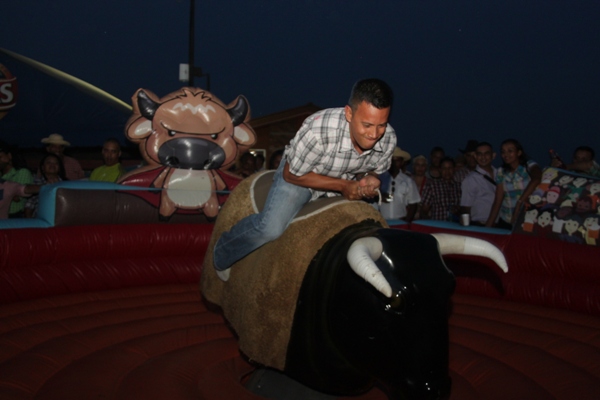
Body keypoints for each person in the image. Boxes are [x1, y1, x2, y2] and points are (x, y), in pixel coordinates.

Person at [213, 78, 396, 280]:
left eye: (381, 125)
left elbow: (372, 170)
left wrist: (370, 178)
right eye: (367, 125)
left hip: (345, 179)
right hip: (301, 174)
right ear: (349, 113)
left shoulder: (388, 138)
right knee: (271, 228)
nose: (374, 134)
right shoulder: (318, 130)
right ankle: (223, 251)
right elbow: (290, 174)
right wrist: (343, 186)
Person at [485, 139, 542, 229]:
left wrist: (519, 203)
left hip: (527, 220)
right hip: (506, 220)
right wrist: (487, 227)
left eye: (510, 151)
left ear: (519, 153)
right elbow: (498, 201)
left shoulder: (529, 166)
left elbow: (537, 178)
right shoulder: (501, 172)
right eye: (503, 152)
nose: (506, 154)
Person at [378, 147, 420, 222]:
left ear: (402, 162)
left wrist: (407, 222)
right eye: (391, 160)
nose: (393, 163)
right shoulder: (379, 179)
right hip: (382, 221)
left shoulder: (408, 181)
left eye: (397, 160)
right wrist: (380, 196)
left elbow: (413, 203)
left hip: (400, 221)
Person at [459, 142, 497, 225]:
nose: (483, 157)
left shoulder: (500, 174)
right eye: (480, 154)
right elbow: (465, 208)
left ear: (493, 155)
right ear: (475, 156)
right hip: (480, 225)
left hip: (500, 225)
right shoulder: (470, 179)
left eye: (486, 154)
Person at [25, 153, 67, 218]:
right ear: (43, 167)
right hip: (40, 219)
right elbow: (29, 205)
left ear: (59, 168)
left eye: (56, 163)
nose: (52, 165)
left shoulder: (66, 183)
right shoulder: (36, 183)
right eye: (49, 163)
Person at [0, 141, 34, 217]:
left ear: (9, 156)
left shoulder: (22, 172)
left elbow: (17, 198)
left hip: (15, 216)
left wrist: (7, 188)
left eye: (0, 157)